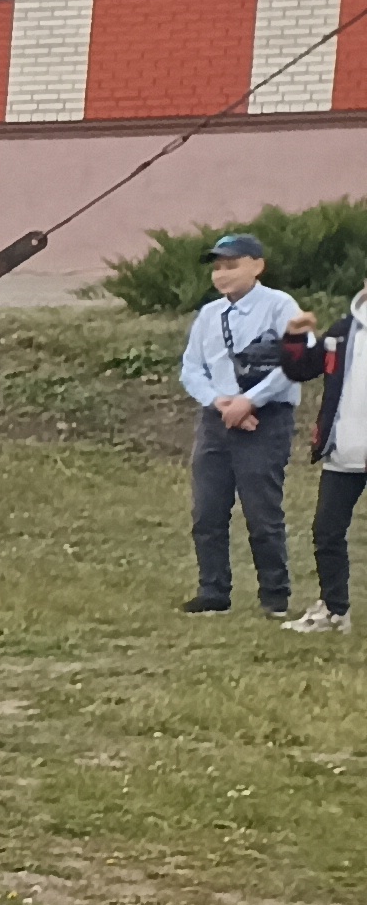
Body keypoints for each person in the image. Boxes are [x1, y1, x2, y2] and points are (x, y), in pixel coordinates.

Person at [177, 229, 303, 616]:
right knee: (207, 512)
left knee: (262, 512)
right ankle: (213, 590)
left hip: (267, 419)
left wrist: (249, 401)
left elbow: (295, 362)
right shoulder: (210, 314)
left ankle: (274, 596)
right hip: (216, 420)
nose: (222, 274)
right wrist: (221, 403)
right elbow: (191, 369)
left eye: (231, 265)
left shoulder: (281, 306)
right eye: (217, 267)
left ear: (257, 266)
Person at [292, 271, 367, 632]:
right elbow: (301, 368)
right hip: (343, 454)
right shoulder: (342, 331)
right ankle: (335, 611)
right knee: (327, 532)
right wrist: (294, 336)